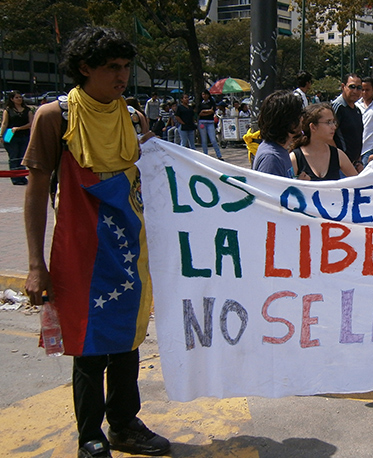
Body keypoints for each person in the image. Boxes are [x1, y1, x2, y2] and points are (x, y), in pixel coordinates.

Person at [22, 26, 170, 458]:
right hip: (80, 254)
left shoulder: (132, 116)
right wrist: (35, 264)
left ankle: (125, 423)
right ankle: (91, 434)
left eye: (126, 67)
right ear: (84, 68)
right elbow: (34, 192)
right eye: (111, 68)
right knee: (88, 346)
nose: (122, 76)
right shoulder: (56, 117)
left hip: (128, 250)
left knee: (128, 340)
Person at [290, 103, 358, 180]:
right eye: (328, 122)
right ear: (313, 127)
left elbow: (358, 184)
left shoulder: (338, 155)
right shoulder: (295, 158)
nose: (334, 127)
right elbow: (284, 189)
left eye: (334, 122)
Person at [252, 89, 304, 178]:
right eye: (299, 115)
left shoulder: (280, 151)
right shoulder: (271, 158)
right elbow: (268, 191)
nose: (302, 119)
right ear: (288, 122)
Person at [1, 90, 33, 185]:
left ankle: (22, 176)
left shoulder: (27, 110)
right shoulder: (8, 110)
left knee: (22, 158)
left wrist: (19, 128)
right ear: (12, 99)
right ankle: (15, 178)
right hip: (12, 137)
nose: (19, 99)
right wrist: (1, 135)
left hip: (24, 136)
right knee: (14, 157)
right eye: (17, 97)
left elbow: (31, 123)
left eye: (20, 97)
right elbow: (4, 123)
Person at [332, 73, 364, 168]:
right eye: (352, 87)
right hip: (339, 166)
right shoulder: (337, 108)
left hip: (354, 165)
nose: (355, 91)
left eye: (359, 88)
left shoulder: (357, 110)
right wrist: (341, 159)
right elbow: (327, 136)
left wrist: (358, 161)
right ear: (343, 87)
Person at [197, 89, 223, 160]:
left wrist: (204, 111)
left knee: (213, 139)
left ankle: (219, 155)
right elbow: (199, 113)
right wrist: (207, 111)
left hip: (210, 122)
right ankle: (205, 155)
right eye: (203, 94)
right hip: (202, 122)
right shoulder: (200, 103)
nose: (204, 96)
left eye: (205, 94)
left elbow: (212, 111)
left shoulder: (211, 102)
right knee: (204, 140)